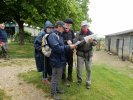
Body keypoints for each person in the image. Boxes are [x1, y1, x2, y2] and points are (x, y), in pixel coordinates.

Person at [48, 21, 76, 99]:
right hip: (56, 60)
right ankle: (53, 93)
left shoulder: (59, 35)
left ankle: (57, 89)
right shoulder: (52, 35)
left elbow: (62, 46)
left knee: (59, 76)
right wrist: (69, 47)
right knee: (55, 77)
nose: (64, 29)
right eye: (63, 28)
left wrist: (70, 46)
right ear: (59, 27)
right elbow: (57, 48)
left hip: (60, 60)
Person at [74, 20, 97, 89]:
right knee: (79, 69)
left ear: (87, 26)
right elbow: (75, 42)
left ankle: (88, 82)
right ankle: (79, 80)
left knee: (89, 69)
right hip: (80, 54)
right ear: (81, 27)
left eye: (86, 26)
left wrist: (92, 41)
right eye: (83, 26)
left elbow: (95, 43)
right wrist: (85, 41)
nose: (84, 27)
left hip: (89, 54)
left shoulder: (92, 34)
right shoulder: (78, 34)